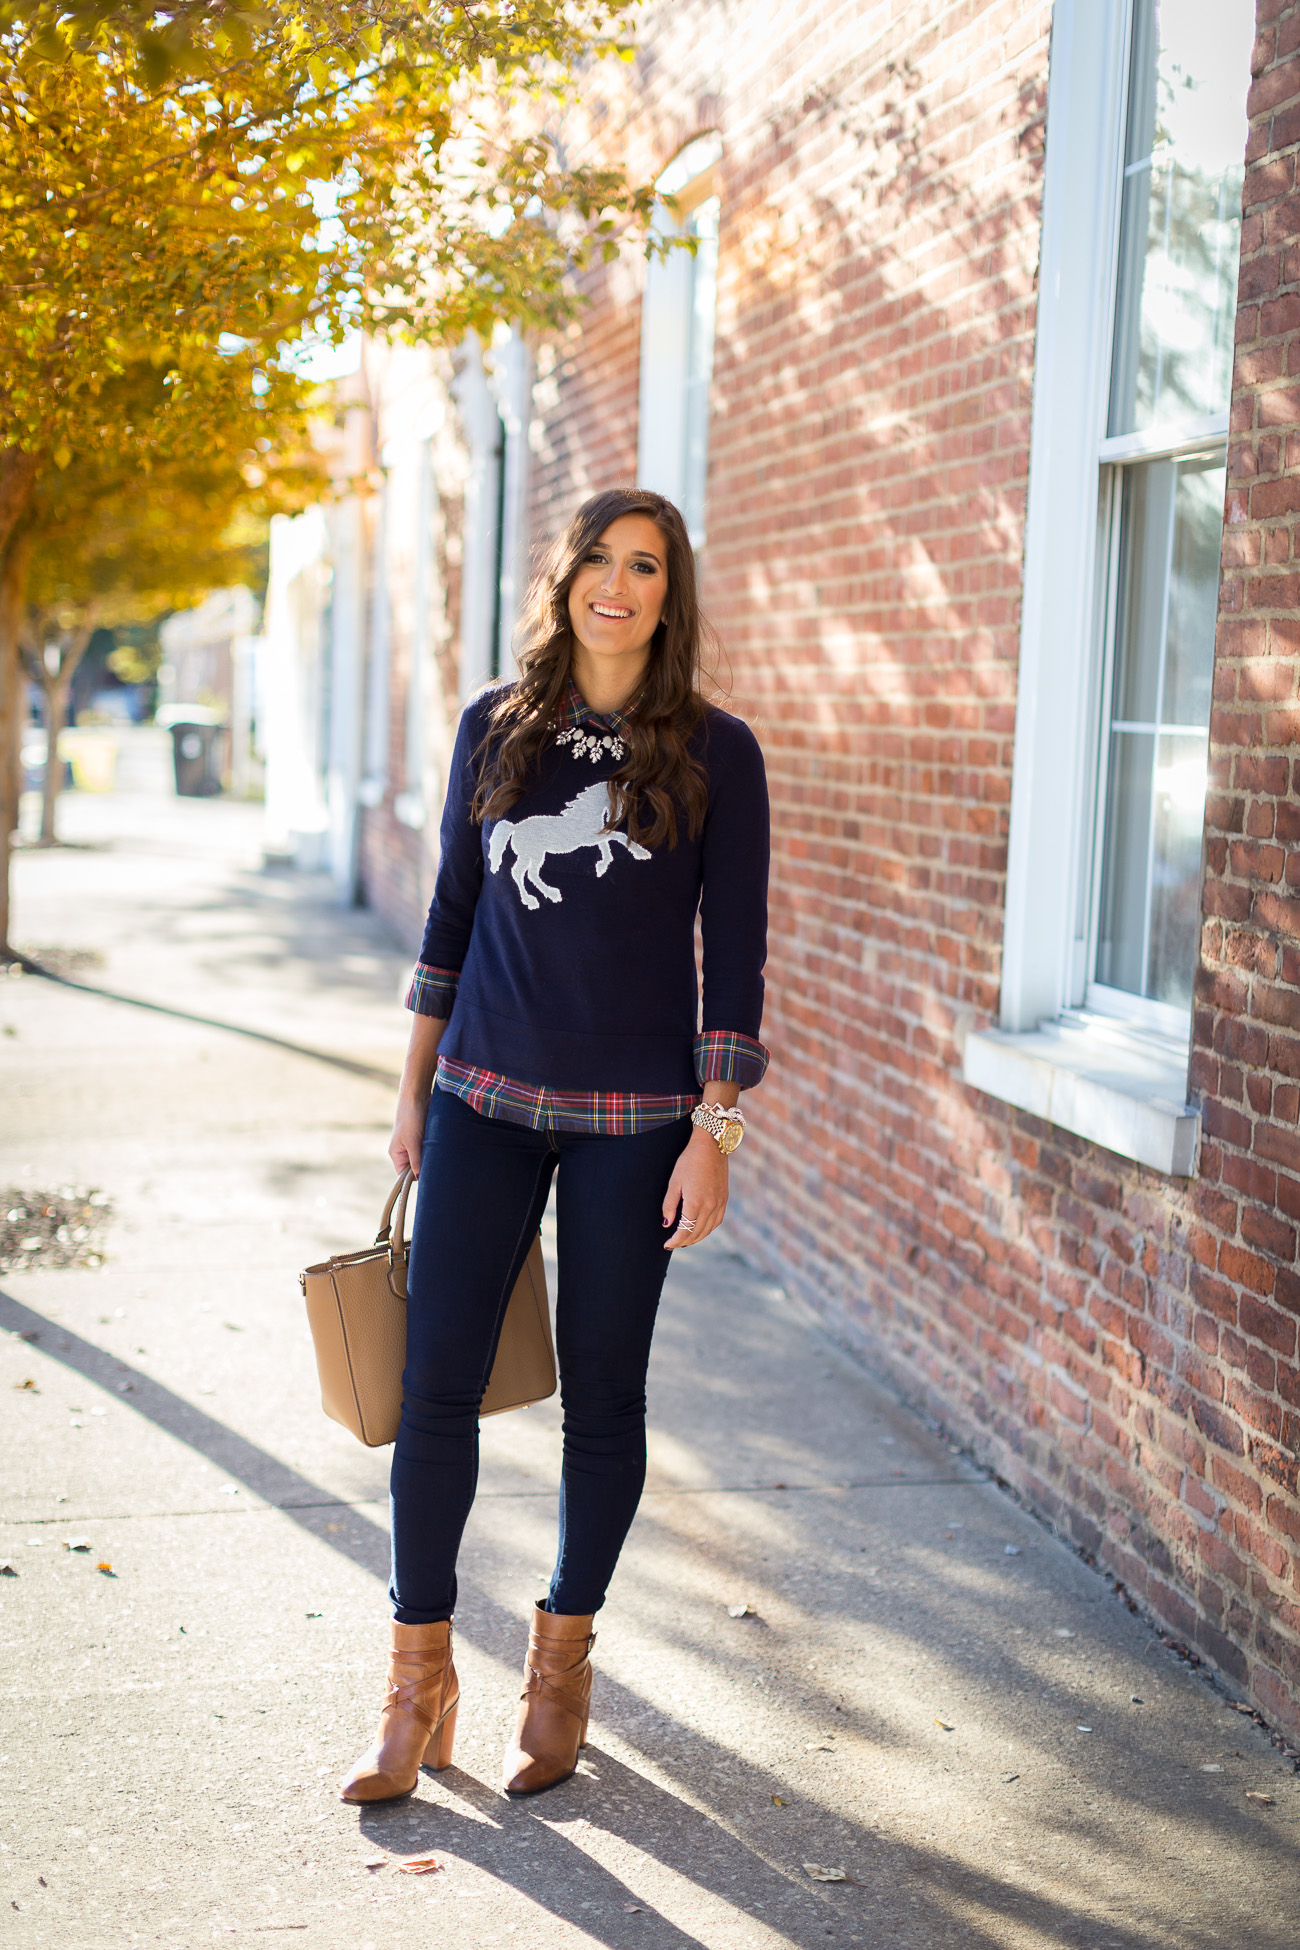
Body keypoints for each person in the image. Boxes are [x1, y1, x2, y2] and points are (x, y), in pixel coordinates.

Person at [341, 486, 770, 1803]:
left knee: (604, 1394)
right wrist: (412, 1088)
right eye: (599, 559)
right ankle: (418, 1682)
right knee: (432, 1388)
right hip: (478, 1095)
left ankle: (560, 1660)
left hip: (634, 1128)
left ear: (667, 594)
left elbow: (734, 964)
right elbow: (450, 921)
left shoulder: (717, 750)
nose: (618, 585)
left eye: (645, 566)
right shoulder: (499, 729)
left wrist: (717, 1134)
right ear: (568, 577)